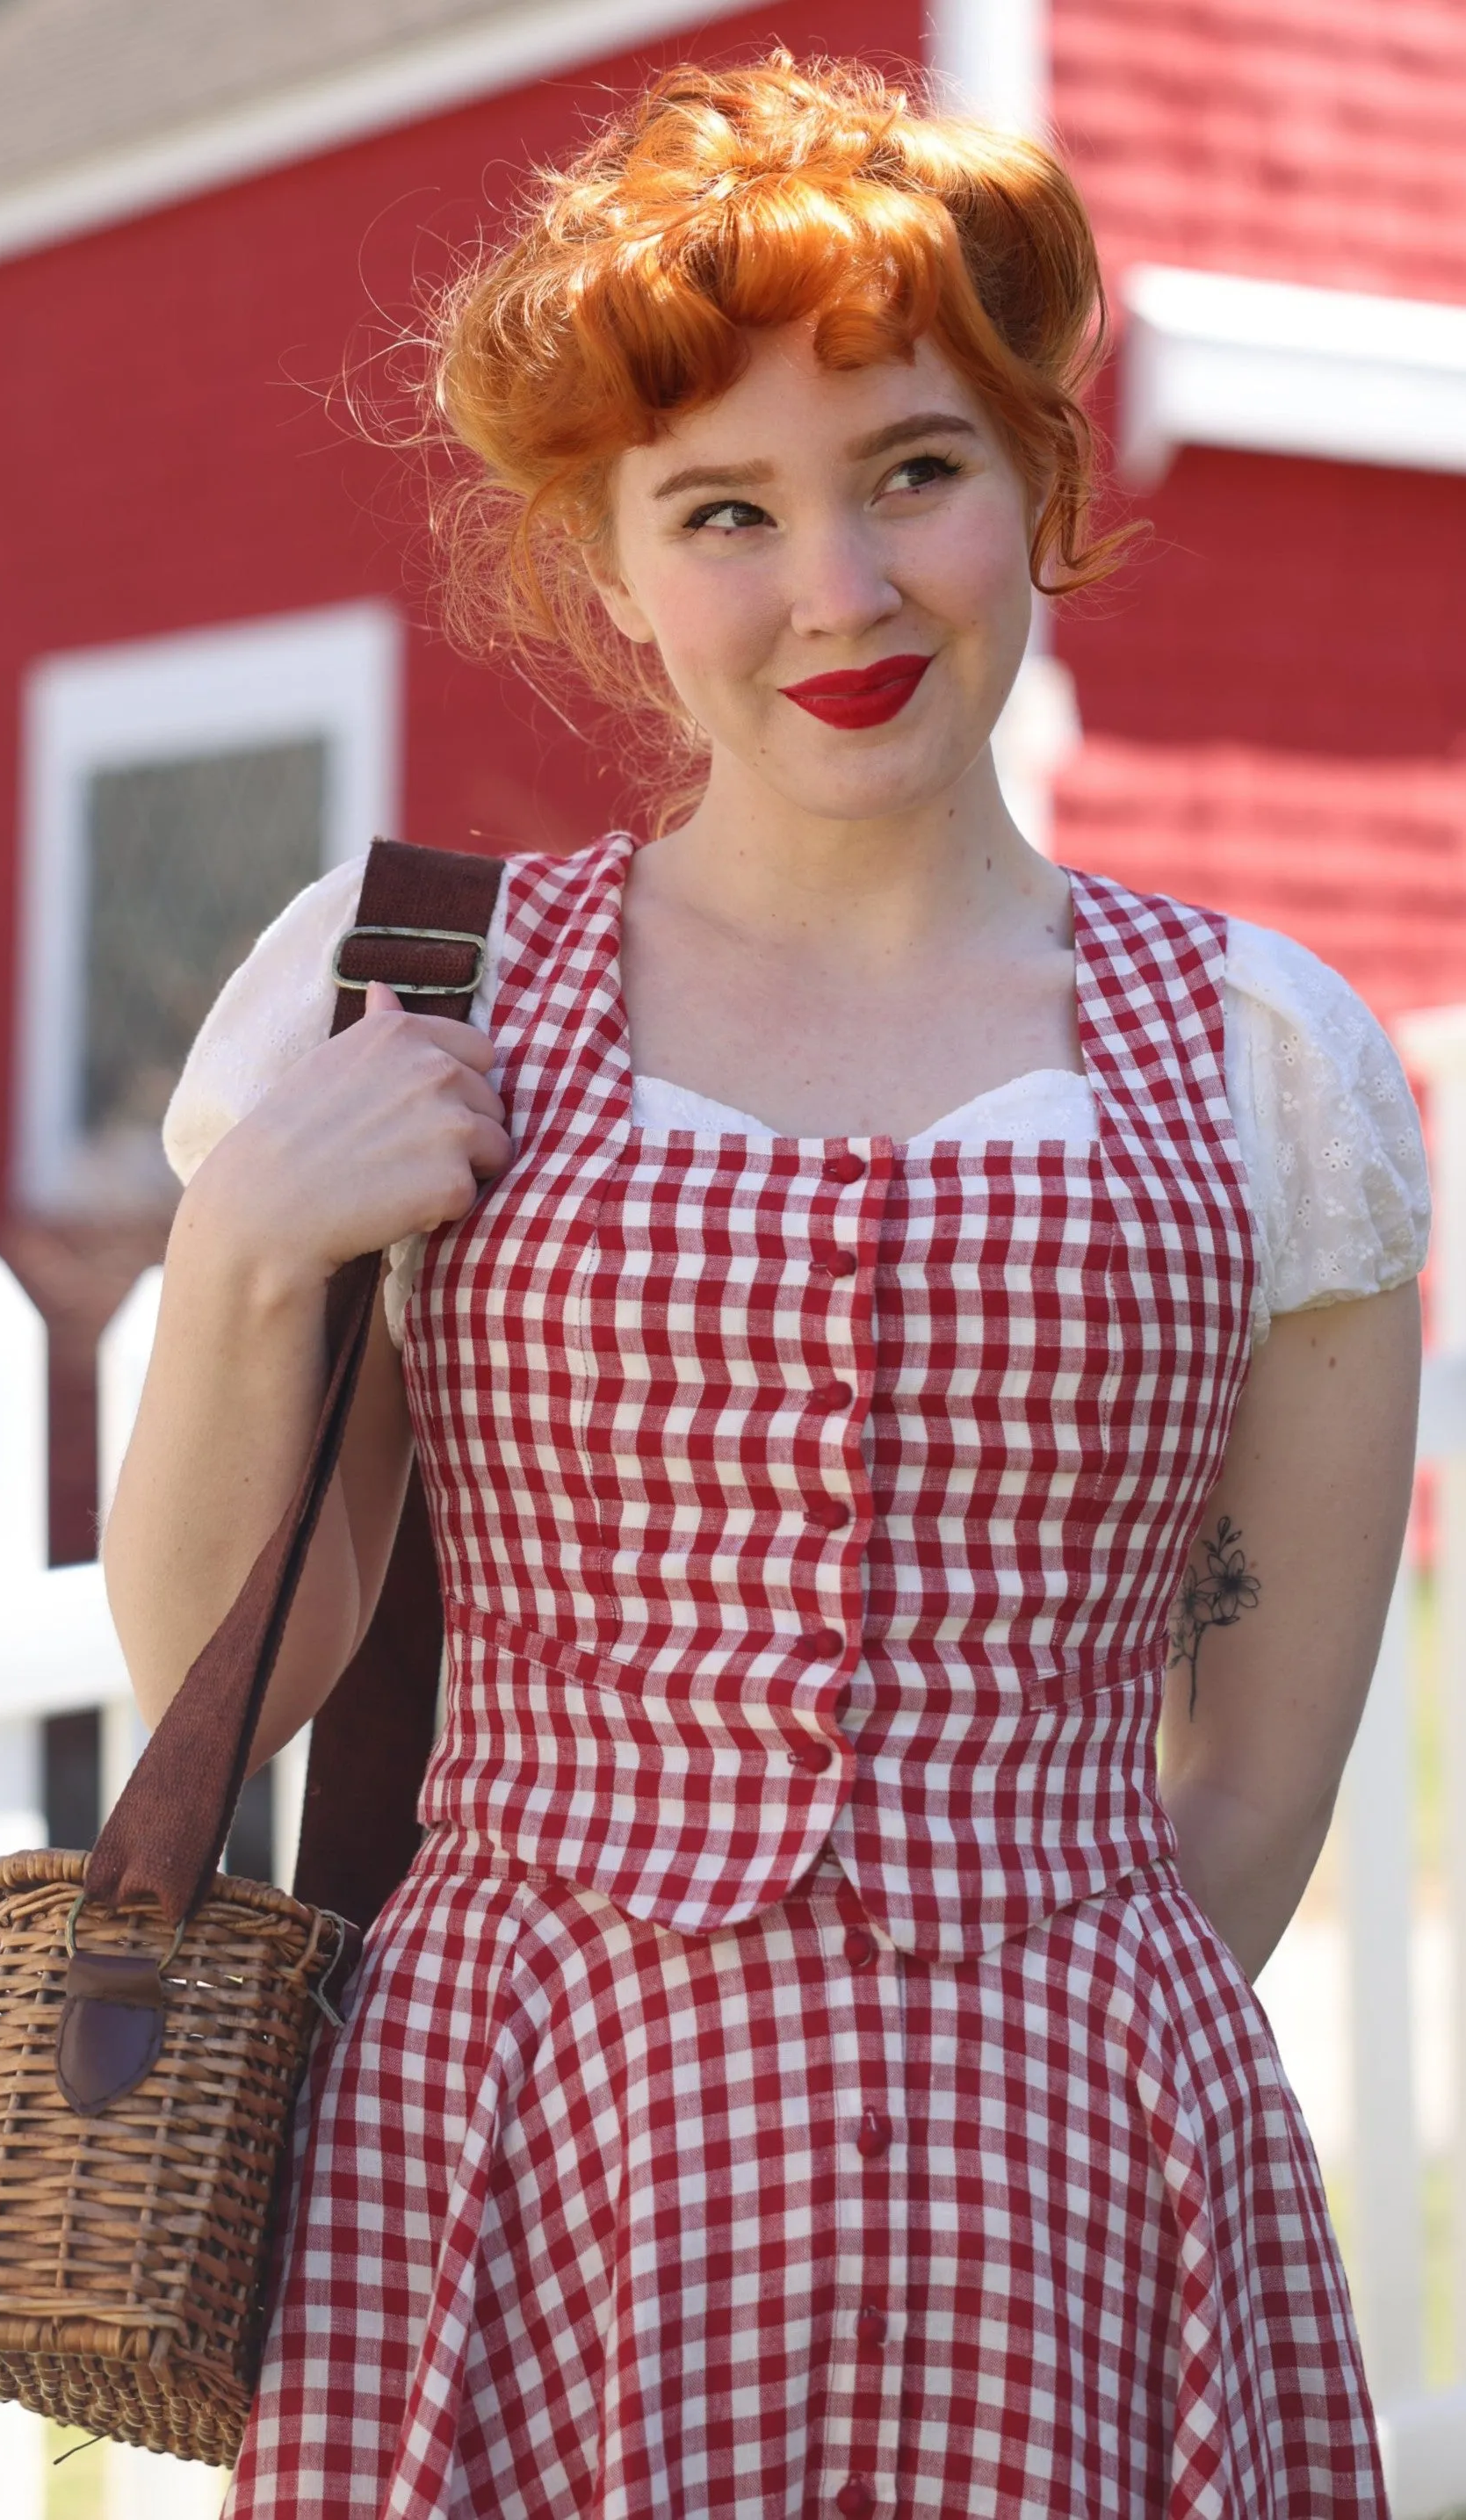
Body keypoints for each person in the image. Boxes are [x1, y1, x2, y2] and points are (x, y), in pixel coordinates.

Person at [103, 54, 1427, 2518]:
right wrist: (245, 1239)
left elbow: (1254, 1777)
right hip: (514, 2150)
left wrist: (1040, 2045)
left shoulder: (1269, 1060)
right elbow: (231, 1668)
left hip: (1076, 2177)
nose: (838, 590)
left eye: (911, 469)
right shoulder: (406, 987)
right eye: (725, 510)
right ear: (609, 562)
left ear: (1035, 480)